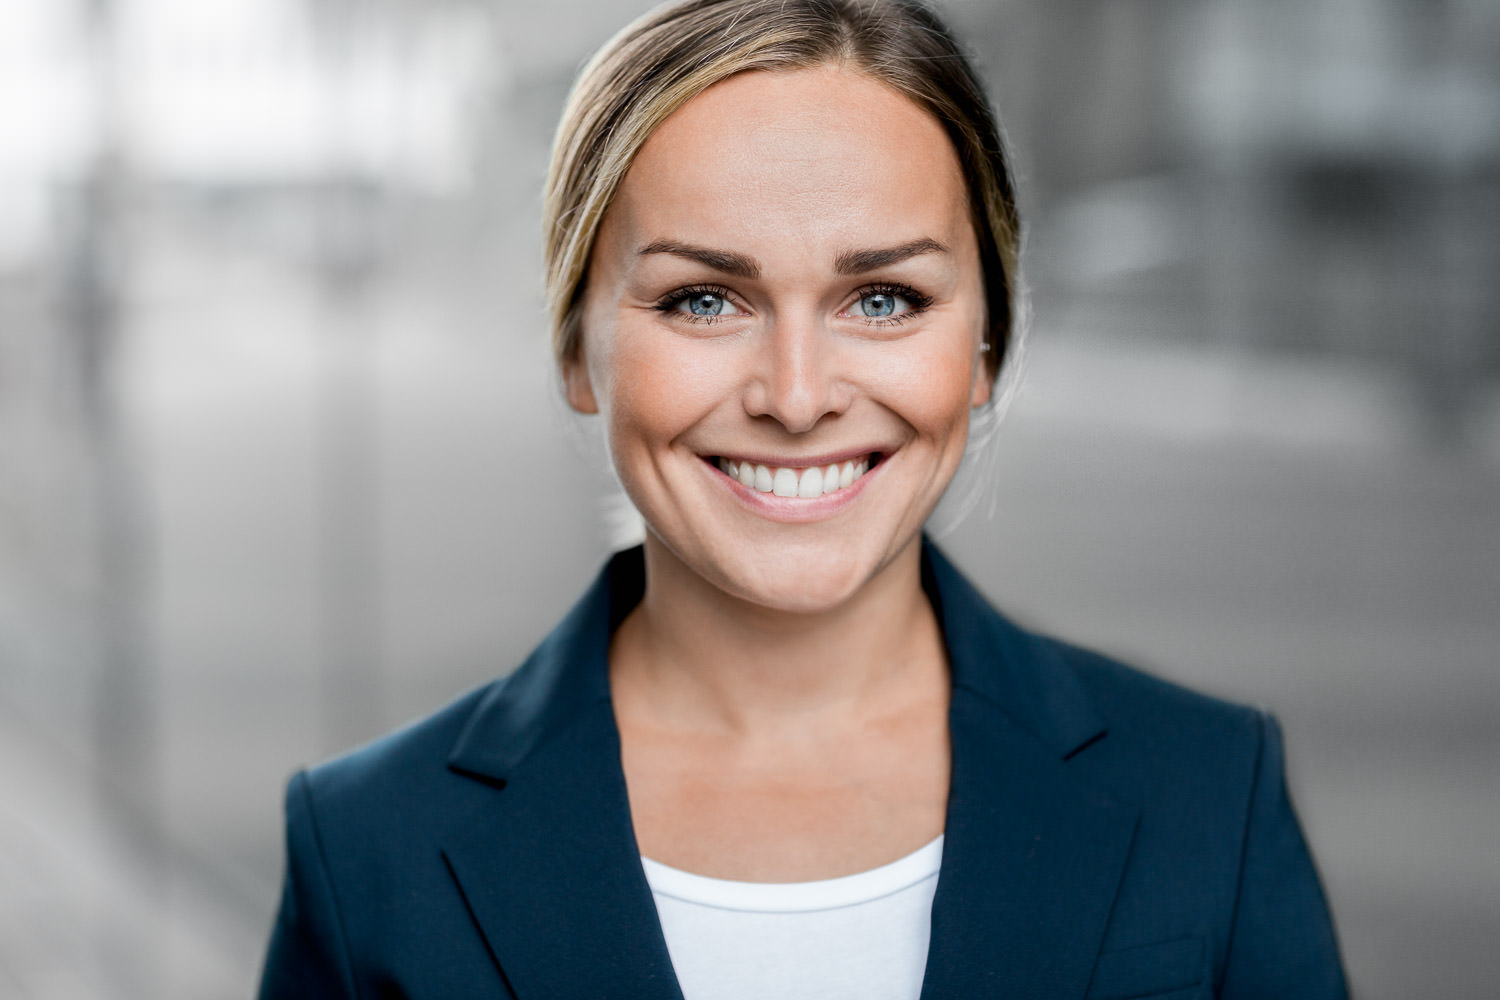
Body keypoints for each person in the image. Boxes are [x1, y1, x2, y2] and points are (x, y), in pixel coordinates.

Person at [258, 1, 1348, 997]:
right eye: (703, 299)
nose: (795, 395)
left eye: (883, 298)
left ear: (985, 346)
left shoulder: (1210, 795)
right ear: (577, 349)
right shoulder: (368, 849)